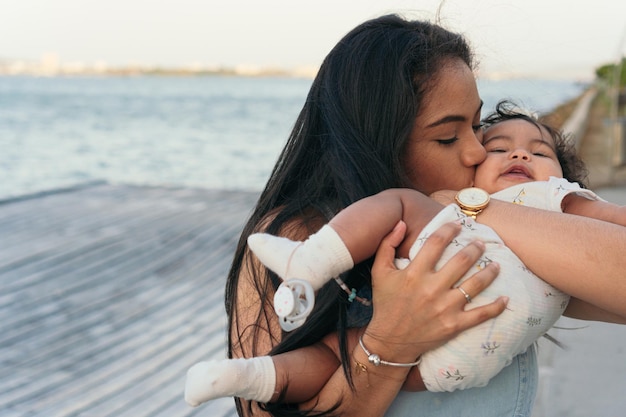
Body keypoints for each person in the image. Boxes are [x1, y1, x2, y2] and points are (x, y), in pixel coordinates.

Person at [189, 14, 626, 417]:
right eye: (448, 137)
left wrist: (469, 205)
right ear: (378, 144)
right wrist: (389, 344)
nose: (477, 150)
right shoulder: (295, 236)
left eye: (476, 126)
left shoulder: (498, 237)